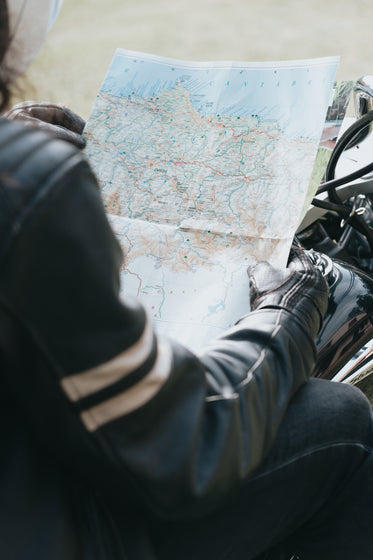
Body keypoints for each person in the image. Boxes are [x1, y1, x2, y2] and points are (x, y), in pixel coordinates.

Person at [1, 1, 373, 559]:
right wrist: (285, 316)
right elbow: (184, 442)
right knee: (339, 420)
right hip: (47, 529)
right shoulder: (23, 182)